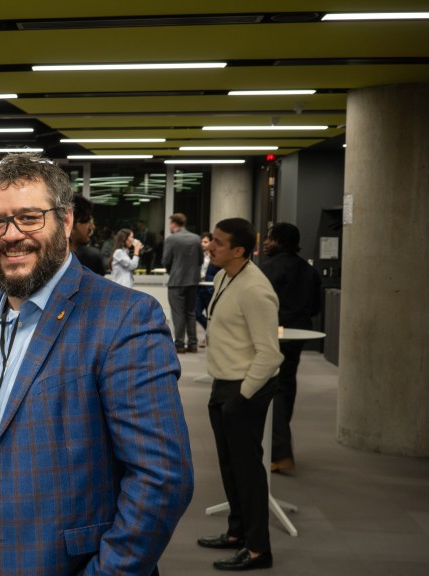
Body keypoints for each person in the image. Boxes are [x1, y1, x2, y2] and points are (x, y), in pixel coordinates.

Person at [0, 153, 193, 575]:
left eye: (29, 218)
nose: (11, 235)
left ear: (66, 221)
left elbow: (161, 480)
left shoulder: (124, 318)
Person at [198, 217, 283, 571]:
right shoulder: (223, 277)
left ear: (239, 251)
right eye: (211, 239)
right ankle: (237, 532)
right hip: (224, 383)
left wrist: (242, 396)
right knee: (230, 466)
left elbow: (270, 354)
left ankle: (259, 549)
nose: (210, 246)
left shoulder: (255, 289)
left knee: (248, 472)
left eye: (219, 242)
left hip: (245, 388)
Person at [261, 222, 323, 474]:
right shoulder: (309, 271)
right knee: (287, 385)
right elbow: (316, 308)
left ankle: (280, 451)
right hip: (298, 337)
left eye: (270, 238)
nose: (265, 243)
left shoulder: (268, 269)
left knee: (273, 389)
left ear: (280, 241)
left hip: (273, 336)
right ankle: (278, 446)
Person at [163, 212, 204, 353]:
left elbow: (166, 261)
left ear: (174, 224)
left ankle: (179, 344)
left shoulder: (171, 239)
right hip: (192, 281)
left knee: (178, 313)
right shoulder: (196, 238)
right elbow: (200, 260)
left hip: (176, 281)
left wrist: (172, 270)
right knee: (190, 312)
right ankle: (193, 344)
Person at [69, 195, 106, 275]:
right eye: (87, 221)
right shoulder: (90, 257)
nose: (92, 227)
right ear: (69, 222)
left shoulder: (89, 259)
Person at [196, 232, 221, 343]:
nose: (203, 244)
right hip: (199, 288)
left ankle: (209, 338)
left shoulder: (216, 257)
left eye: (205, 242)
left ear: (211, 243)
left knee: (211, 315)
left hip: (211, 289)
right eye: (201, 241)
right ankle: (211, 333)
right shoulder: (198, 256)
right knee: (196, 313)